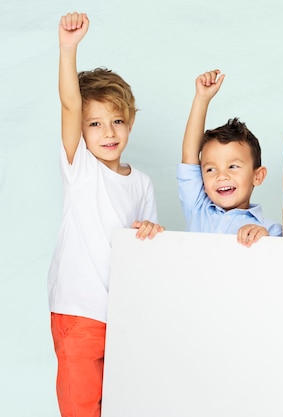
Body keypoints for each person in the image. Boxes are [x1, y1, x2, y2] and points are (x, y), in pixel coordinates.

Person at [50, 12, 164, 417]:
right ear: (80, 131)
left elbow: (146, 244)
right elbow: (69, 104)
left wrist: (151, 229)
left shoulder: (142, 183)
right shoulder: (80, 167)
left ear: (130, 121)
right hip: (79, 313)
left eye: (117, 121)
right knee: (81, 409)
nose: (109, 132)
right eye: (95, 124)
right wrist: (68, 49)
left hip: (122, 318)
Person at [178, 70, 282, 246]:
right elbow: (189, 155)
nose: (221, 176)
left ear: (257, 176)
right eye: (210, 169)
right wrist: (202, 99)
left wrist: (265, 240)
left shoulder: (270, 230)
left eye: (233, 166)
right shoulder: (198, 208)